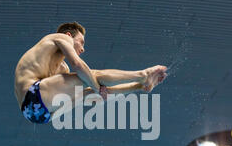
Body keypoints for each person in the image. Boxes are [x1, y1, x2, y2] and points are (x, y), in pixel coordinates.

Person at [14, 22, 167, 124]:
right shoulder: (58, 38)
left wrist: (95, 89)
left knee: (88, 93)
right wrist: (95, 86)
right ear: (68, 36)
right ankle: (142, 75)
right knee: (91, 75)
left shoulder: (61, 69)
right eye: (81, 42)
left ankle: (139, 87)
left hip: (37, 114)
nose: (83, 48)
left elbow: (93, 96)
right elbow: (78, 65)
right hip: (34, 98)